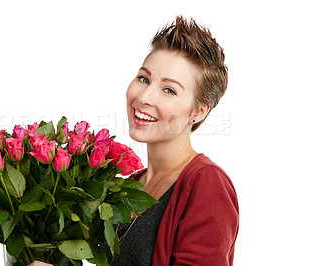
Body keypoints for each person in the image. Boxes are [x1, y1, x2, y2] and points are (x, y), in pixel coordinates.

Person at [29, 15, 239, 266]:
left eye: (169, 90)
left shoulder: (206, 184)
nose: (145, 97)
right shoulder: (131, 185)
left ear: (199, 111)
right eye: (144, 79)